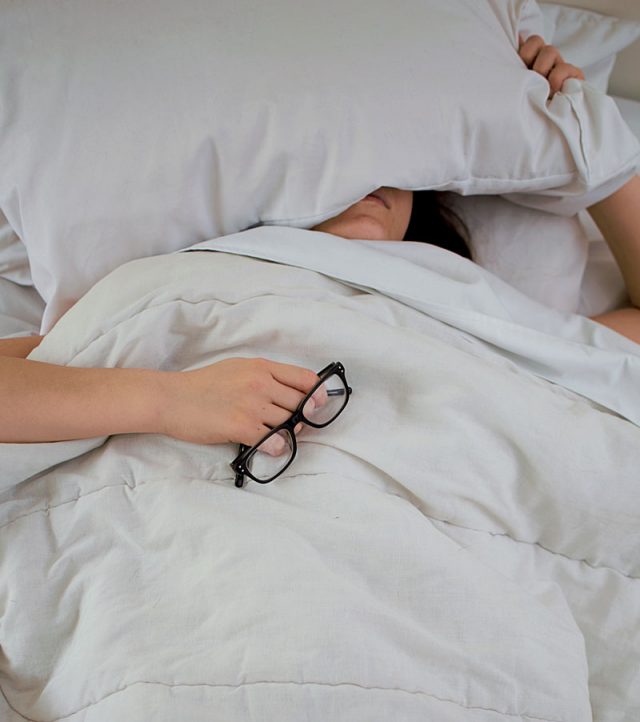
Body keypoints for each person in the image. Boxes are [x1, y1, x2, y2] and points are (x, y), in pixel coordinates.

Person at [1, 37, 637, 446]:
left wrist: (581, 128)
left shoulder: (472, 305)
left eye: (390, 166)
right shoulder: (194, 282)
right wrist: (168, 400)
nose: (365, 181)